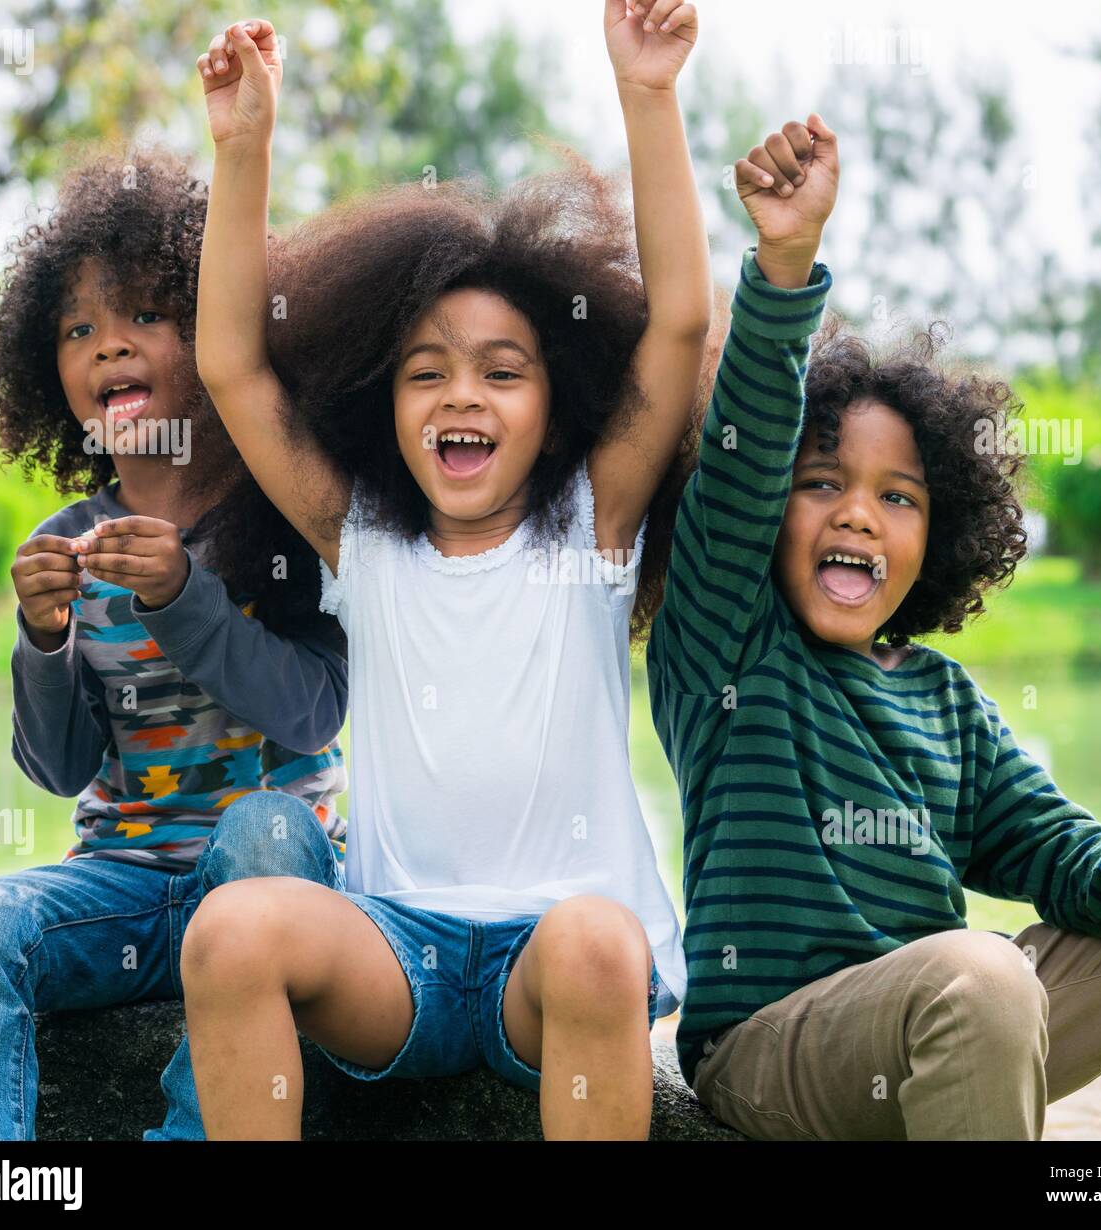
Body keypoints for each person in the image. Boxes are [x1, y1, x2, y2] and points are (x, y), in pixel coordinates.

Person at [177, 3, 710, 1141]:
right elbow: (229, 362)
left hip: (556, 967)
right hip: (397, 962)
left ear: (557, 403)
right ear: (387, 409)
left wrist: (648, 99)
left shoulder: (589, 529)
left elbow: (676, 325)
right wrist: (242, 148)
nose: (462, 395)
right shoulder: (360, 541)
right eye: (427, 373)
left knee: (594, 939)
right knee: (230, 932)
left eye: (501, 372)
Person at [646, 109, 1101, 1141]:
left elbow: (1047, 846)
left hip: (950, 1027)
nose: (858, 512)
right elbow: (738, 463)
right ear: (770, 512)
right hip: (771, 1049)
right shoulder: (726, 645)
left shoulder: (945, 701)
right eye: (819, 483)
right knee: (980, 972)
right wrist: (784, 265)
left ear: (939, 534)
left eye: (899, 497)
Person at [0, 147, 348, 1141]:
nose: (109, 345)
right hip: (120, 883)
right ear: (52, 375)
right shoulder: (61, 544)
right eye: (79, 329)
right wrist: (42, 643)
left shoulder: (282, 520)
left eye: (146, 317)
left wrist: (185, 599)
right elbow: (61, 766)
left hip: (269, 887)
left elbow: (312, 710)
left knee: (262, 830)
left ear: (215, 338)